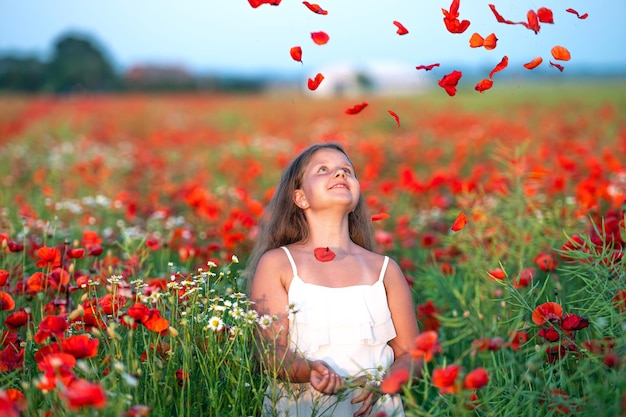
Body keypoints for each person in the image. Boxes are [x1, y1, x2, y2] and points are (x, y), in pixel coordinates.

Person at [247, 143, 421, 417]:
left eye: (347, 171)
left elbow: (412, 354)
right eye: (324, 169)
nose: (340, 175)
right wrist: (308, 369)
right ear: (301, 198)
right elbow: (270, 352)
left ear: (356, 196)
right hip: (302, 409)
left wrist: (384, 384)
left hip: (375, 409)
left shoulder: (385, 269)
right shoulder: (279, 264)